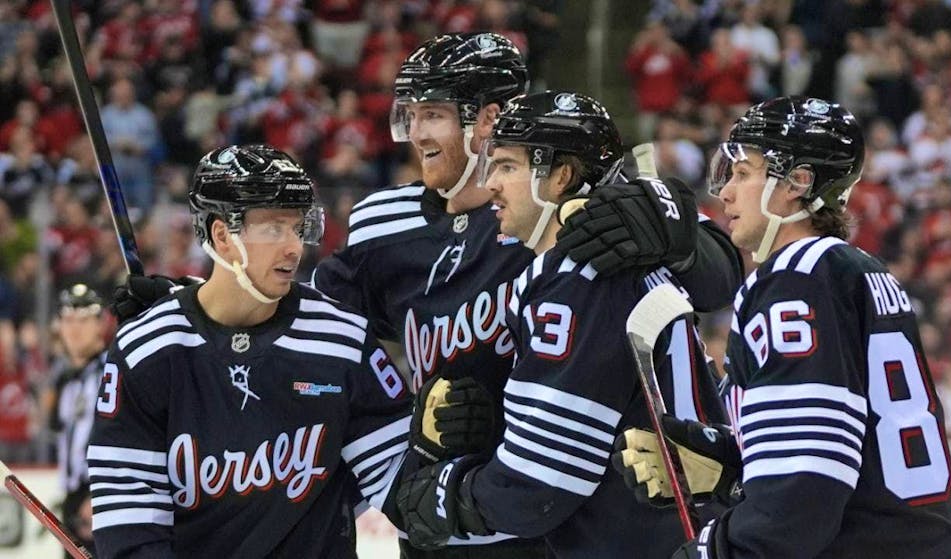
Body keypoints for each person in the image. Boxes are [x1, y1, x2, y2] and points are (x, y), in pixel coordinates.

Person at [112, 32, 743, 559]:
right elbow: (310, 326)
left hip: (559, 512)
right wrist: (195, 307)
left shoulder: (556, 209)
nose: (414, 132)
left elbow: (714, 281)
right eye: (407, 114)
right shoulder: (383, 223)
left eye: (432, 113)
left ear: (488, 121)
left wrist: (674, 227)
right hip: (452, 509)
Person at [613, 96, 951, 558]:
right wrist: (725, 464)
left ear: (797, 183)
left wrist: (723, 551)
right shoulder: (856, 269)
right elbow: (847, 449)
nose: (725, 192)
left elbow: (806, 482)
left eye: (743, 174)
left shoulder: (795, 279)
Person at [392, 90, 731, 558]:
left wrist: (448, 495)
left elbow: (540, 484)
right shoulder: (629, 258)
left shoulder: (576, 276)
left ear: (562, 177)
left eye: (507, 166)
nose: (490, 183)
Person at [86, 145, 418, 559]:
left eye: (298, 228)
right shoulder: (147, 350)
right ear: (222, 236)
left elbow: (404, 487)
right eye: (274, 228)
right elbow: (129, 510)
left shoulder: (342, 339)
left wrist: (465, 480)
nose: (294, 247)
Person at [47, 284, 108, 557]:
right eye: (68, 320)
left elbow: (117, 437)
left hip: (97, 500)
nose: (75, 329)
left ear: (100, 324)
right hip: (73, 503)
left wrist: (98, 494)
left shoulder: (111, 371)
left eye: (84, 320)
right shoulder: (66, 379)